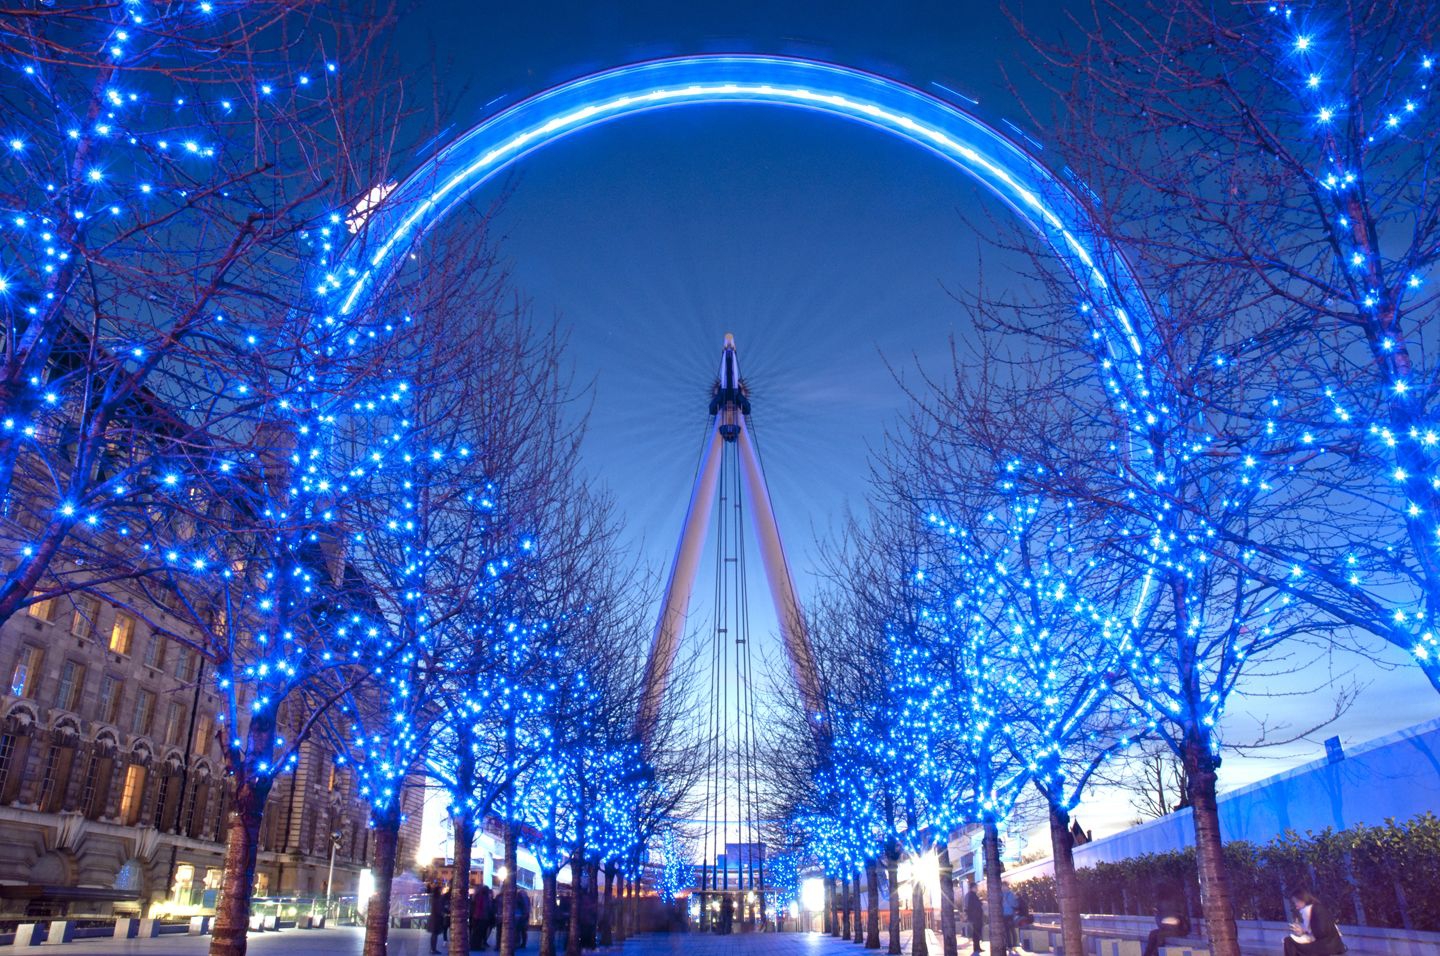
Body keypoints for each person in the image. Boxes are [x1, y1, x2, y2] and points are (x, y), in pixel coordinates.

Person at [1284, 889, 1346, 956]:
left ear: (1303, 899)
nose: (1295, 905)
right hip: (1332, 944)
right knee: (1291, 941)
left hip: (1325, 946)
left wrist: (1303, 932)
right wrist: (1303, 932)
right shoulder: (1316, 907)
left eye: (1296, 901)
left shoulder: (1308, 910)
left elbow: (1319, 933)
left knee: (1289, 941)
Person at [1142, 882, 1191, 956]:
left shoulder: (1173, 902)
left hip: (1180, 929)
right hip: (1168, 929)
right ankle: (1147, 954)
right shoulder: (1160, 902)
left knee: (1160, 935)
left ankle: (1156, 953)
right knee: (1153, 934)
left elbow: (1178, 918)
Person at [429, 880, 452, 955]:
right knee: (434, 934)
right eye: (440, 890)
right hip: (436, 919)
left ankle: (433, 949)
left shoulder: (435, 898)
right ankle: (433, 949)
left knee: (434, 934)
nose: (441, 891)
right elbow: (438, 909)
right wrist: (444, 914)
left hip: (434, 918)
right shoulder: (437, 899)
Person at [963, 878, 985, 956]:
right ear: (973, 888)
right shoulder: (972, 896)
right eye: (976, 887)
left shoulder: (971, 895)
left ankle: (977, 947)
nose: (977, 889)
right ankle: (976, 948)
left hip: (975, 917)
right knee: (976, 933)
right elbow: (972, 906)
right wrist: (980, 903)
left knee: (976, 933)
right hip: (975, 917)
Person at [470, 884, 493, 951]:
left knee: (476, 932)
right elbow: (484, 907)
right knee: (479, 932)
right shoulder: (483, 897)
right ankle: (476, 946)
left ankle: (474, 945)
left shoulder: (477, 896)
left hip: (477, 916)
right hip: (481, 917)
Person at [1002, 886, 1019, 952]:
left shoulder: (1010, 894)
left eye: (1004, 886)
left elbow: (1014, 904)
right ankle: (1009, 945)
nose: (1003, 888)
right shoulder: (1002, 894)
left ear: (1007, 887)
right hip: (1005, 915)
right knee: (1008, 931)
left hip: (1010, 915)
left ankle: (1013, 945)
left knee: (1011, 931)